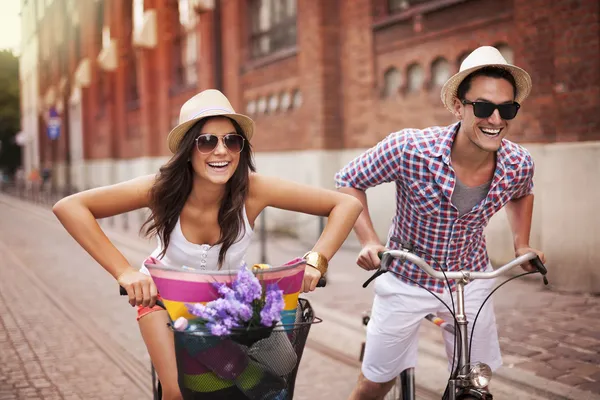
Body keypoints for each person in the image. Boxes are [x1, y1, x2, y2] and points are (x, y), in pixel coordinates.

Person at [53, 89, 363, 400]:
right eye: (207, 141)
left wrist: (316, 260)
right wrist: (125, 273)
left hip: (229, 308)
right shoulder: (160, 188)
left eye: (232, 141)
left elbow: (345, 206)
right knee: (176, 394)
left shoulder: (253, 189)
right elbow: (70, 207)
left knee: (271, 382)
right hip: (164, 302)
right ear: (188, 149)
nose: (221, 151)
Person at [335, 46, 546, 399]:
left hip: (470, 277)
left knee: (476, 380)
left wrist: (521, 244)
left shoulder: (518, 162)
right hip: (407, 277)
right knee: (374, 384)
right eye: (482, 107)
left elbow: (523, 193)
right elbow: (349, 181)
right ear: (458, 106)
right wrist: (370, 240)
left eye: (506, 109)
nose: (495, 119)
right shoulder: (409, 148)